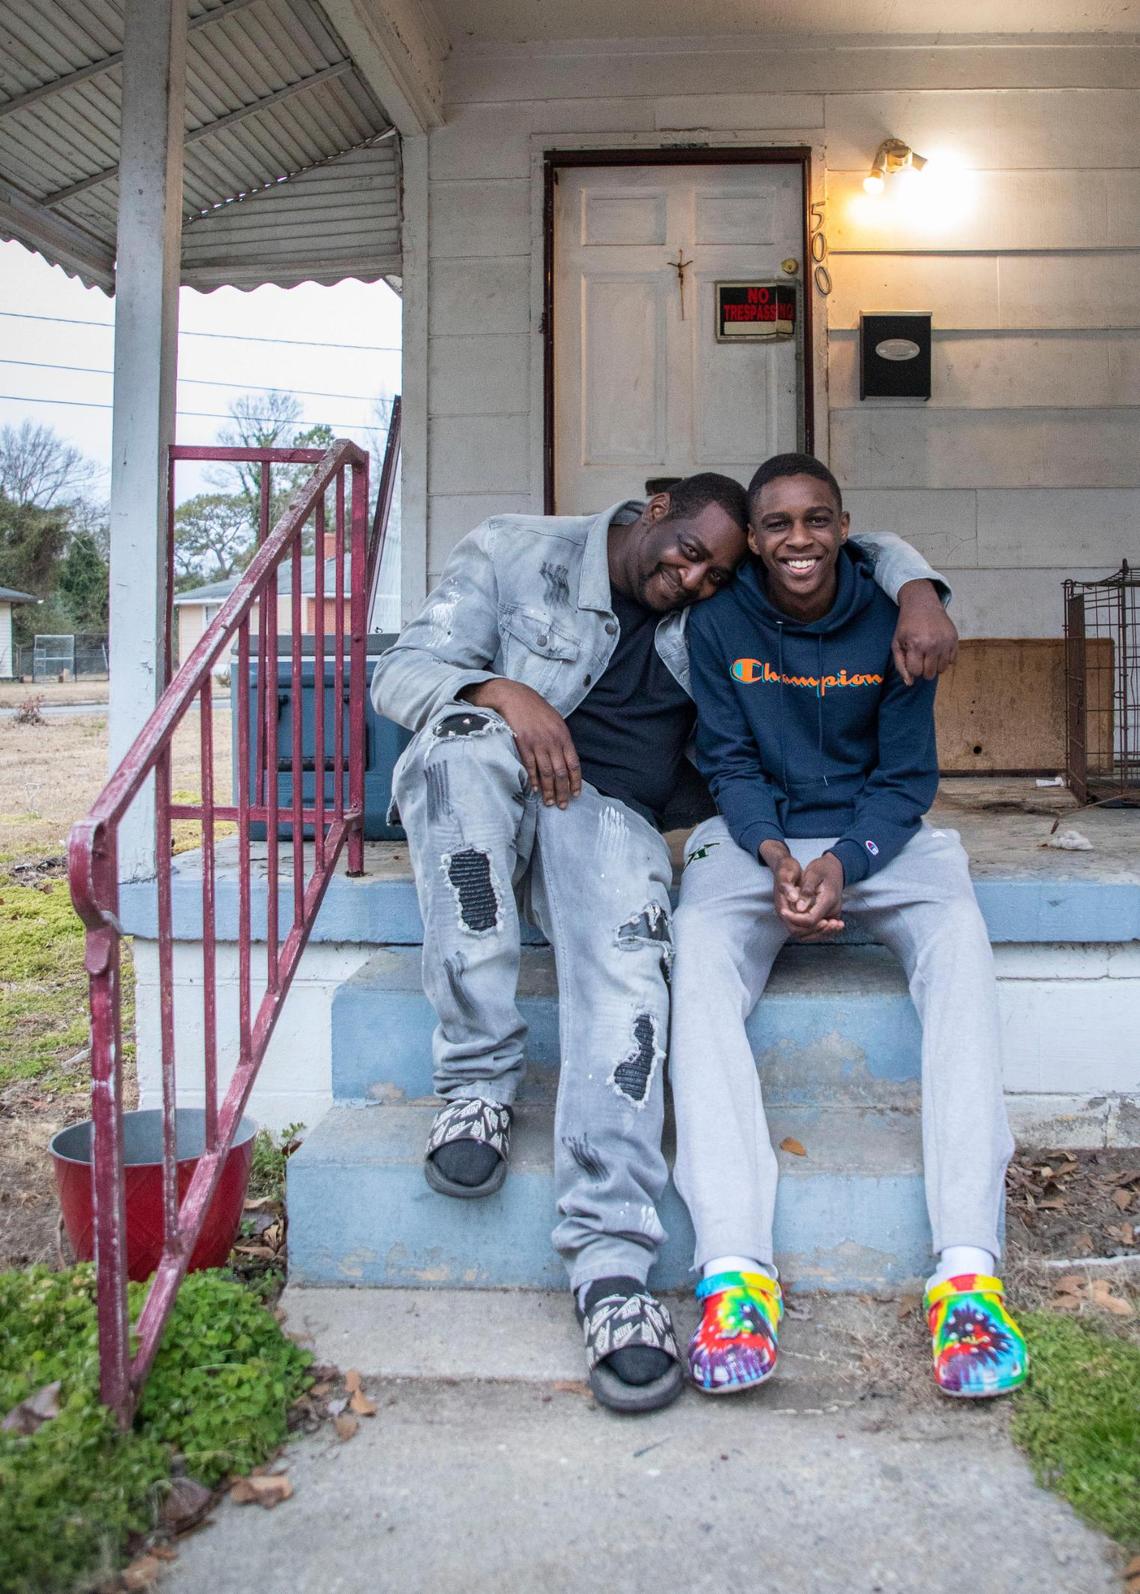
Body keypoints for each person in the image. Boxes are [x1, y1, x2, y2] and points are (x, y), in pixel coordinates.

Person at [371, 475, 957, 1412]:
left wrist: (921, 586)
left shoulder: (718, 606)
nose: (694, 582)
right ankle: (477, 1082)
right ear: (655, 508)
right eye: (689, 554)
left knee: (628, 979)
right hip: (489, 795)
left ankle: (612, 1267)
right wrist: (500, 689)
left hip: (604, 816)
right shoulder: (515, 548)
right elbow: (400, 673)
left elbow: (832, 548)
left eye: (716, 574)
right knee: (459, 750)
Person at [670, 453, 1025, 1401]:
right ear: (752, 537)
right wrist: (775, 855)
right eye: (777, 525)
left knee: (956, 933)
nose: (798, 542)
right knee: (697, 956)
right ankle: (735, 1270)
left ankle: (965, 1271)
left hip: (878, 830)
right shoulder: (716, 621)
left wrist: (845, 864)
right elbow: (729, 761)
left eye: (816, 521)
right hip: (759, 835)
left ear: (844, 526)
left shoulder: (896, 618)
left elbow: (907, 778)